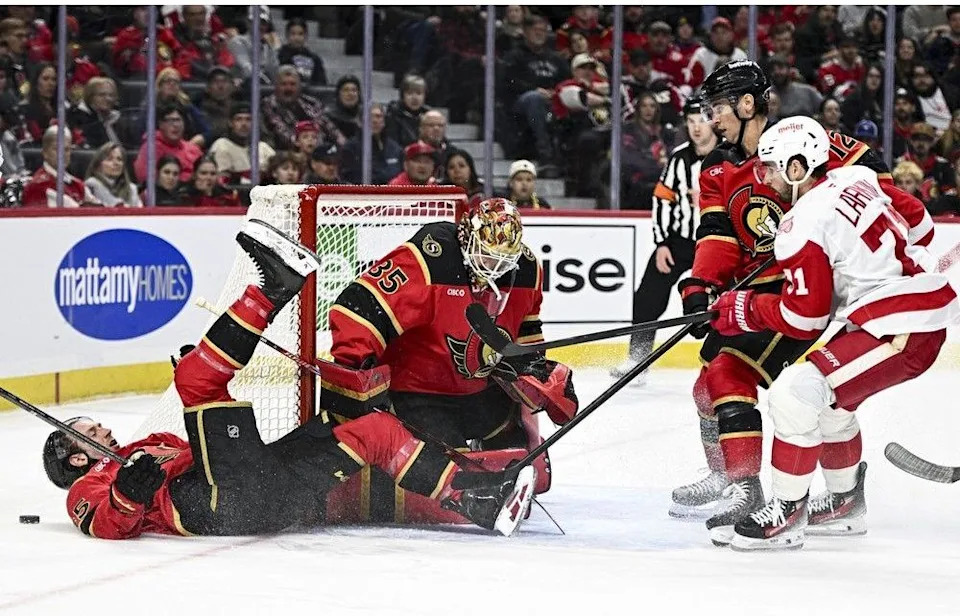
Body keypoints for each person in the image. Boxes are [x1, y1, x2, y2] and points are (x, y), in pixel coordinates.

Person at [45, 221, 535, 538]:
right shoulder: (87, 486)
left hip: (268, 490)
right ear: (75, 457)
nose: (102, 431)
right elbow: (106, 525)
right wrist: (127, 493)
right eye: (88, 434)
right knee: (195, 384)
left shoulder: (151, 443)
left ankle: (476, 498)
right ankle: (270, 292)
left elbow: (209, 449)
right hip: (217, 507)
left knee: (375, 432)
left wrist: (208, 396)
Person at [678, 60, 936, 545]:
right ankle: (746, 480)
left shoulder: (811, 143)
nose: (711, 119)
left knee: (747, 378)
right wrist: (702, 282)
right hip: (775, 294)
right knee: (712, 385)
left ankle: (753, 490)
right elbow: (718, 235)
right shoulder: (717, 170)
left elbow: (887, 199)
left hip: (818, 296)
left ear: (747, 104)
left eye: (717, 108)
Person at [328, 197, 577, 509]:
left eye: (502, 259)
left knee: (518, 452)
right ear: (466, 238)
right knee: (449, 463)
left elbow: (527, 333)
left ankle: (496, 483)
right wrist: (358, 365)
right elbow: (356, 306)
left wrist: (536, 371)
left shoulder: (527, 269)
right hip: (418, 392)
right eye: (485, 255)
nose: (493, 267)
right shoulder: (431, 258)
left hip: (477, 391)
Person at [610, 97, 716, 390]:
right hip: (679, 242)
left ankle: (725, 365)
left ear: (713, 121)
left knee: (722, 304)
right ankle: (638, 360)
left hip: (717, 244)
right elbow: (662, 200)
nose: (696, 128)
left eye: (701, 121)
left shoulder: (727, 155)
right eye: (691, 122)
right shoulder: (680, 158)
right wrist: (661, 243)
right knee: (646, 295)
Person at [261, 66, 344, 152]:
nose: (288, 88)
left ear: (299, 86)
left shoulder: (312, 103)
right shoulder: (268, 105)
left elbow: (330, 128)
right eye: (284, 84)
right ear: (276, 86)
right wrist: (312, 145)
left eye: (292, 84)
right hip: (286, 153)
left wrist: (345, 146)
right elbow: (284, 134)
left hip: (318, 152)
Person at [22, 126, 100, 208]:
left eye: (66, 149)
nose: (62, 154)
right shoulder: (37, 186)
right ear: (45, 152)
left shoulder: (78, 185)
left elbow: (99, 210)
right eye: (57, 149)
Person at [207, 103, 276, 184]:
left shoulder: (262, 147)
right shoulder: (221, 145)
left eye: (248, 119)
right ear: (230, 123)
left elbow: (278, 168)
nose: (244, 124)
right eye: (238, 119)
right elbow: (223, 179)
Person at [134, 104, 204, 183]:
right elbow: (145, 179)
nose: (175, 125)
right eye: (170, 120)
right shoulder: (150, 149)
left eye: (178, 120)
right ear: (161, 125)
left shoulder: (193, 149)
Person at [340, 103, 403, 185]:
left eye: (378, 116)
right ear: (360, 122)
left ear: (384, 121)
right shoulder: (350, 148)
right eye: (369, 116)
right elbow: (351, 178)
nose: (374, 120)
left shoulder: (395, 148)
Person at [83, 142, 141, 208]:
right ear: (98, 165)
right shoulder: (91, 184)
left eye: (119, 159)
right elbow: (114, 206)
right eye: (109, 159)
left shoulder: (132, 188)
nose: (116, 163)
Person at [384, 73, 431, 149]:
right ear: (403, 96)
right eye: (410, 93)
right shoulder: (394, 115)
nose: (414, 98)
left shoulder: (429, 115)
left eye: (419, 93)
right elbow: (393, 146)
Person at [277, 17, 327, 85]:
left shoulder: (315, 59)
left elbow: (321, 84)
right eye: (293, 34)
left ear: (306, 36)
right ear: (287, 35)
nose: (296, 38)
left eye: (300, 34)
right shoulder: (279, 57)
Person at [325, 75, 361, 141]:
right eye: (346, 90)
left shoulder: (366, 116)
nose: (350, 94)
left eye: (354, 90)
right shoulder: (328, 118)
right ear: (338, 94)